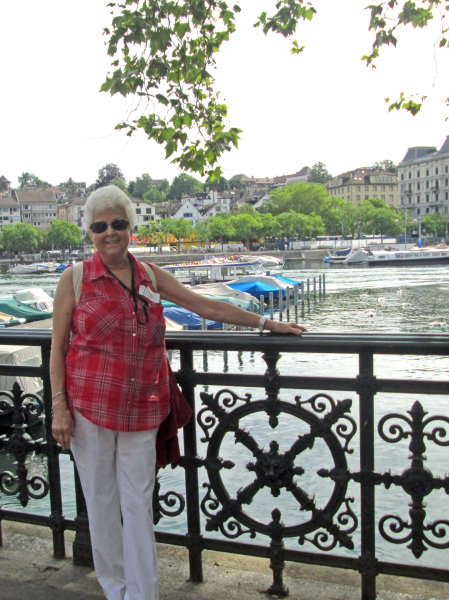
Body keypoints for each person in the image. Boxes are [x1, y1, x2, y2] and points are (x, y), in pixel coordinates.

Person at [49, 185, 305, 600]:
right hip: (89, 409)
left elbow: (208, 307)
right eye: (100, 226)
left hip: (141, 411)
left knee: (137, 507)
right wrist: (59, 406)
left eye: (118, 223)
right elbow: (57, 348)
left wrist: (266, 324)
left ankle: (143, 594)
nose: (110, 232)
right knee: (100, 506)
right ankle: (116, 590)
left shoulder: (150, 276)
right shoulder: (75, 279)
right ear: (90, 233)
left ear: (131, 227)